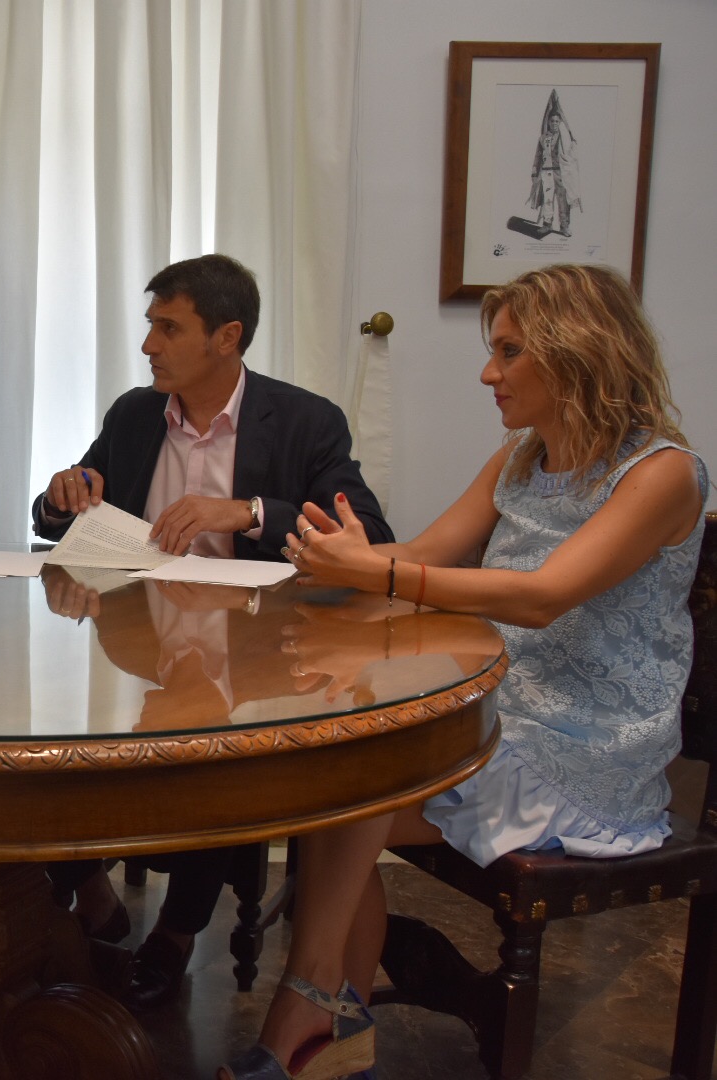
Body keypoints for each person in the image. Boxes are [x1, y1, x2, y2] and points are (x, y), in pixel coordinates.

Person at [221, 263, 706, 1080]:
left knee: (350, 791)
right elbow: (424, 555)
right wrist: (342, 558)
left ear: (576, 351)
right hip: (499, 718)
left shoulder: (662, 473)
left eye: (509, 352)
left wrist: (382, 573)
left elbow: (543, 597)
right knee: (335, 782)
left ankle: (312, 1021)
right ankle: (327, 1020)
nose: (488, 373)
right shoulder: (521, 457)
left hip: (586, 753)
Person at [32, 253, 393, 1011]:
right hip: (136, 646)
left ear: (227, 337)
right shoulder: (135, 415)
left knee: (224, 758)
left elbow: (370, 535)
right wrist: (62, 496)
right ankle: (85, 892)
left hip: (255, 655)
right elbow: (62, 516)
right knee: (50, 745)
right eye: (150, 326)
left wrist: (250, 512)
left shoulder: (304, 421)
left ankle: (176, 932)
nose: (149, 345)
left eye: (168, 328)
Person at [529, 90, 581, 238]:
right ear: (549, 122)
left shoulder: (565, 137)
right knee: (548, 199)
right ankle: (547, 224)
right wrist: (534, 171)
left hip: (561, 172)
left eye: (557, 121)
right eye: (552, 121)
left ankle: (564, 226)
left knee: (563, 200)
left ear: (560, 122)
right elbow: (538, 155)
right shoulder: (543, 138)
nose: (554, 123)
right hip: (546, 172)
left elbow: (572, 153)